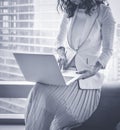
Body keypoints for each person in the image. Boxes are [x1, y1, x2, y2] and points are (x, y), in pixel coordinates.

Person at [25, 0, 115, 130]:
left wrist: (94, 69)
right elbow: (59, 41)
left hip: (85, 78)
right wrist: (61, 54)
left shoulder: (104, 12)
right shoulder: (70, 10)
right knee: (38, 88)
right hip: (67, 72)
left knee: (44, 93)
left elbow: (108, 50)